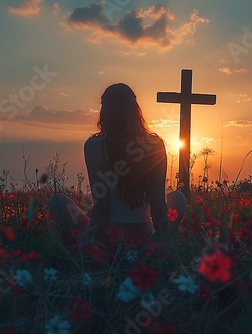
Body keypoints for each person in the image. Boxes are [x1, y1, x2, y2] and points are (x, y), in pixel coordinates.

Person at [49, 83, 186, 248]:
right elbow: (158, 204)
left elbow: (102, 205)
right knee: (177, 197)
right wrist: (161, 240)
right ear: (135, 111)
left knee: (57, 201)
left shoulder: (94, 146)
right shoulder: (154, 145)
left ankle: (75, 247)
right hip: (144, 238)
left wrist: (92, 243)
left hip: (109, 239)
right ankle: (160, 246)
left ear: (105, 112)